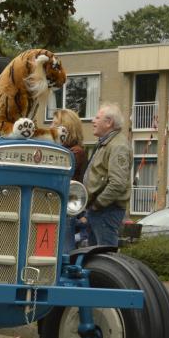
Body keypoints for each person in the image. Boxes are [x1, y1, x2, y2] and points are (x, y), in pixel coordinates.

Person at [81, 102, 131, 247]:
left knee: (104, 254)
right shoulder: (107, 143)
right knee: (96, 255)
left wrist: (98, 204)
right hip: (100, 210)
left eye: (97, 118)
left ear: (109, 122)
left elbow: (118, 183)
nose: (93, 121)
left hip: (106, 211)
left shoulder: (118, 146)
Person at [53, 108, 89, 249]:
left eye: (55, 124)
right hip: (56, 205)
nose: (51, 127)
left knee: (64, 247)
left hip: (66, 207)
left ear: (66, 128)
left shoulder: (75, 153)